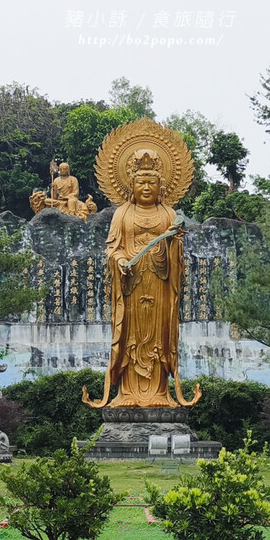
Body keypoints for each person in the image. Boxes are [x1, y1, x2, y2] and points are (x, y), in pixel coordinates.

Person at [83, 148, 199, 408]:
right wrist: (121, 260)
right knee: (131, 339)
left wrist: (174, 244)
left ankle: (159, 393)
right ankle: (127, 393)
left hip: (159, 285)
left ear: (161, 186)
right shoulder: (121, 214)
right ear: (130, 186)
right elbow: (112, 248)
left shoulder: (169, 214)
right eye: (141, 182)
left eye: (152, 183)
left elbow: (177, 253)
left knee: (157, 337)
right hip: (131, 286)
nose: (146, 187)